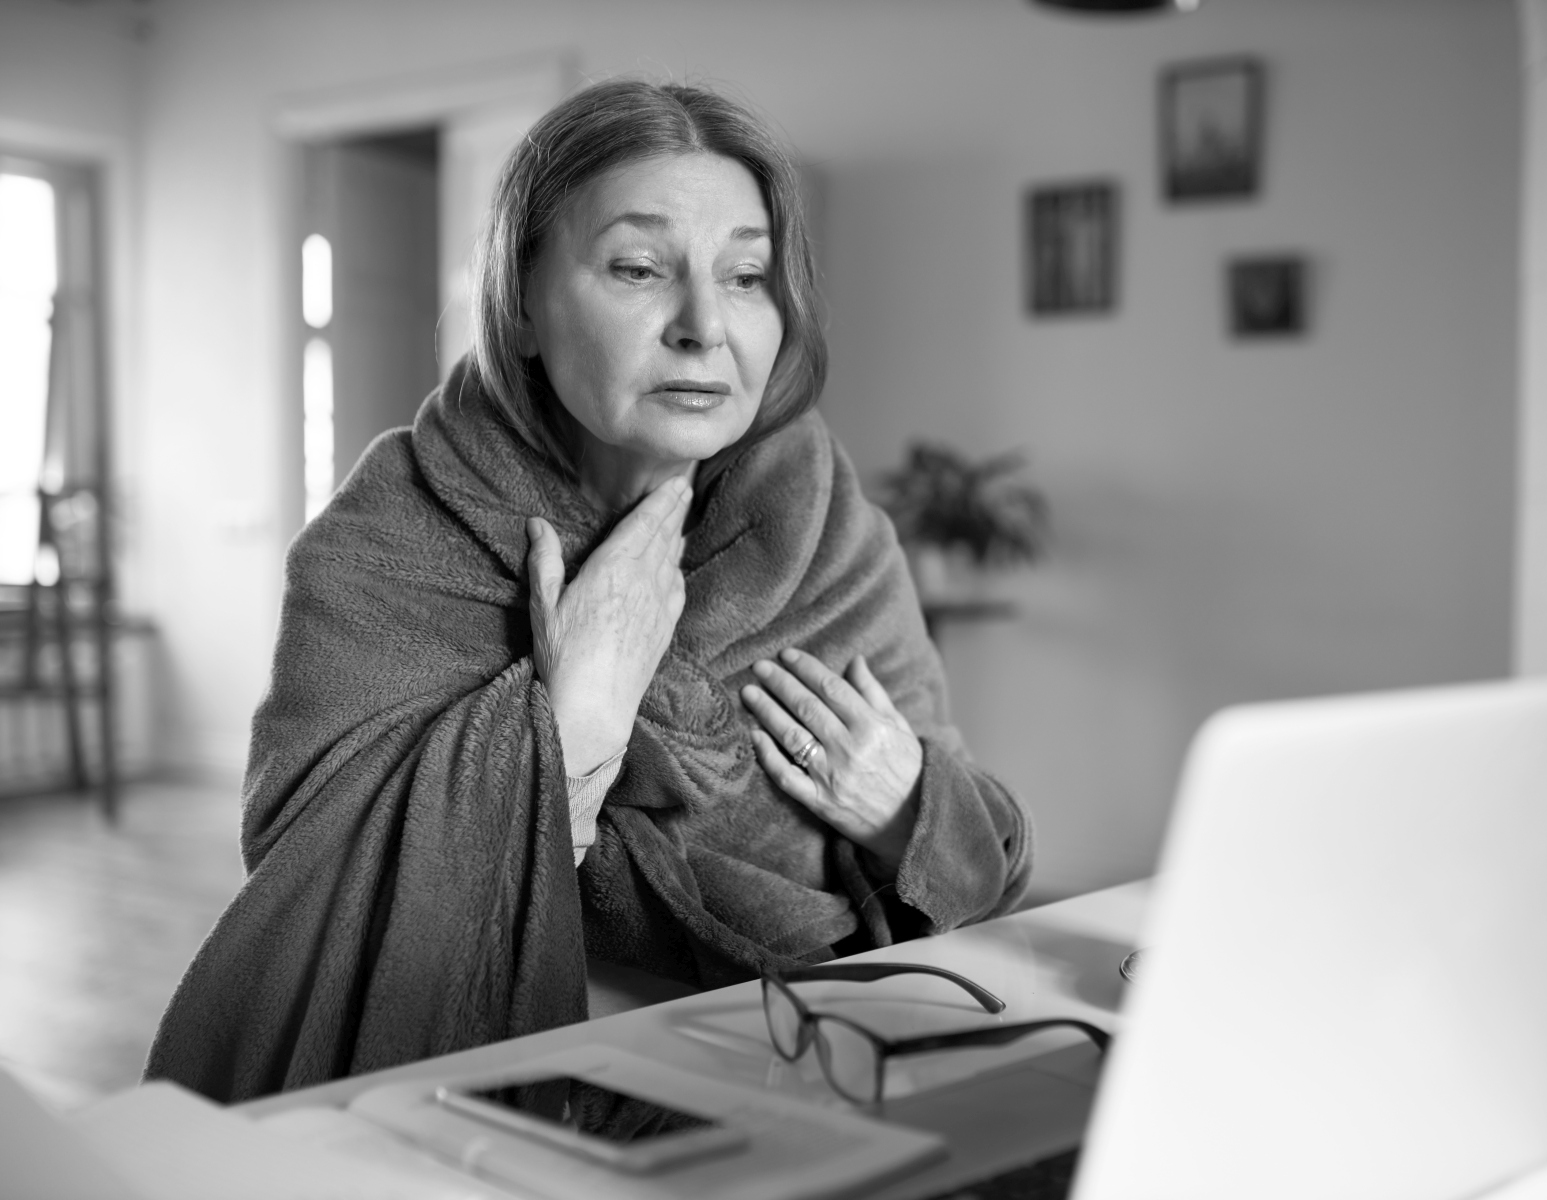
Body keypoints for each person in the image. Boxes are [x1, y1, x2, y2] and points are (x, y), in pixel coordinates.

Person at [146, 79, 1032, 1104]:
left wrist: (906, 807)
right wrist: (579, 717)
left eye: (747, 275)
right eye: (639, 267)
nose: (706, 326)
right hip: (494, 1103)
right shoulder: (389, 540)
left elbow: (986, 872)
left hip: (831, 1071)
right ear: (520, 304)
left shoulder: (829, 531)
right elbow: (312, 904)